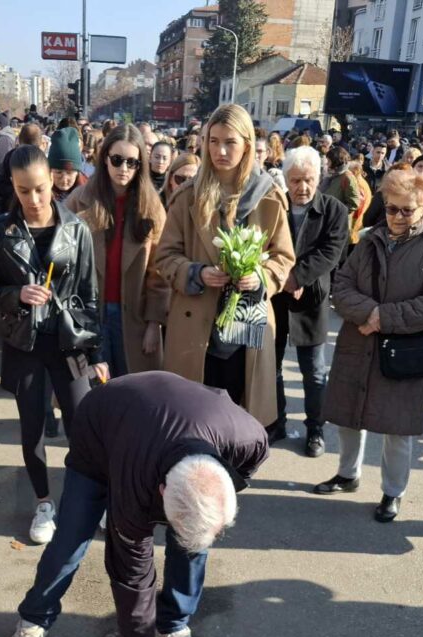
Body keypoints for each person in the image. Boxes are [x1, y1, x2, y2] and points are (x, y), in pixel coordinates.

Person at [0, 372, 269, 637]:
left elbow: (240, 472)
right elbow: (132, 577)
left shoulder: (250, 439)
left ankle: (173, 625)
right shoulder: (133, 487)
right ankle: (34, 619)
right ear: (160, 492)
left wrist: (204, 519)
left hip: (174, 417)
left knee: (193, 545)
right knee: (70, 540)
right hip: (100, 426)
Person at [0, 145, 106, 544]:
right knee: (32, 427)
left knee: (83, 426)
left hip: (69, 344)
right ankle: (43, 503)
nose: (33, 200)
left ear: (52, 180)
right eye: (23, 191)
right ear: (13, 189)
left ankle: (90, 498)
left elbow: (90, 295)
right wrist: (17, 294)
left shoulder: (76, 229)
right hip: (23, 341)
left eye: (39, 188)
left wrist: (97, 354)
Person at [315, 169, 423, 521]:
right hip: (359, 342)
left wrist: (384, 318)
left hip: (405, 350)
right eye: (391, 208)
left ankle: (393, 492)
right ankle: (348, 474)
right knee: (349, 416)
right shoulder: (371, 238)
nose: (396, 217)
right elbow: (342, 285)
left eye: (406, 210)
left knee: (397, 427)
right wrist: (371, 313)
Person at [155, 104, 295, 428]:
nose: (220, 150)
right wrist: (196, 273)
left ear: (247, 143)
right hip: (196, 324)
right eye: (213, 141)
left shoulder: (269, 198)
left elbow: (284, 257)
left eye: (230, 142)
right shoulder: (188, 197)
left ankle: (231, 477)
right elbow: (165, 256)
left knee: (238, 418)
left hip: (246, 324)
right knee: (194, 417)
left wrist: (261, 277)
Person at [65, 124, 169, 378]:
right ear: (105, 158)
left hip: (135, 316)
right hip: (89, 313)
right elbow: (63, 261)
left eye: (132, 162)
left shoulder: (152, 206)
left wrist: (154, 323)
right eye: (117, 159)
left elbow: (159, 273)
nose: (124, 168)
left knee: (134, 394)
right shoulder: (80, 199)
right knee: (93, 395)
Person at [270, 146, 349, 454]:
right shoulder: (274, 206)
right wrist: (283, 279)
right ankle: (276, 421)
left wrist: (297, 278)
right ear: (286, 179)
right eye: (295, 180)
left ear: (319, 178)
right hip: (276, 298)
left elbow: (331, 252)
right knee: (271, 367)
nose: (302, 187)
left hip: (311, 300)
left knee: (314, 371)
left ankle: (315, 428)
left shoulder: (333, 210)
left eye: (309, 180)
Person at [323, 147, 361, 224]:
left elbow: (354, 204)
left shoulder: (347, 177)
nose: (327, 164)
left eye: (329, 161)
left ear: (335, 162)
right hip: (326, 220)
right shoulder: (331, 175)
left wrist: (335, 212)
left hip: (338, 223)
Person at [47, 127, 86, 202]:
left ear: (77, 173)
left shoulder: (89, 193)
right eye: (59, 172)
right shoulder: (42, 195)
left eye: (69, 173)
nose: (64, 179)